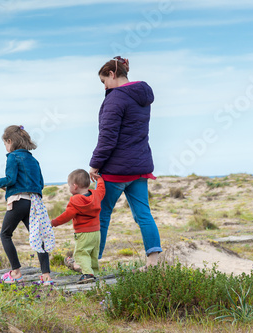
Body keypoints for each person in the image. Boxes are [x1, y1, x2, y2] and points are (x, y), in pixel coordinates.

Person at [89, 56, 162, 271]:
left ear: (112, 74)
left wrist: (94, 164)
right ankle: (153, 263)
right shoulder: (141, 97)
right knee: (144, 214)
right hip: (139, 168)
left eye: (104, 82)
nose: (105, 87)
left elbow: (108, 137)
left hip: (116, 170)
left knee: (101, 213)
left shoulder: (116, 98)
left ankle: (92, 262)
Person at [0, 125, 54, 285]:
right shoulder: (34, 160)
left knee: (5, 234)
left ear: (10, 141)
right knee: (38, 236)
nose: (6, 148)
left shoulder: (12, 157)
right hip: (34, 203)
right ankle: (46, 275)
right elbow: (40, 184)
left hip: (18, 202)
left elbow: (11, 179)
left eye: (5, 145)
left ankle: (15, 272)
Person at [51, 169, 106, 284]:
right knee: (93, 253)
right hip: (96, 232)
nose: (69, 188)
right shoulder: (96, 195)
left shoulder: (75, 200)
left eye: (69, 186)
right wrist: (99, 179)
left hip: (83, 232)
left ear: (75, 186)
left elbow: (67, 216)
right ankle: (94, 272)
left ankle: (87, 274)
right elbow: (101, 189)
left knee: (81, 253)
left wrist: (54, 222)